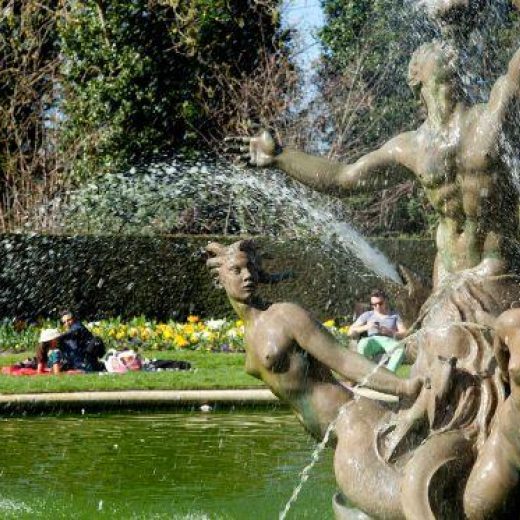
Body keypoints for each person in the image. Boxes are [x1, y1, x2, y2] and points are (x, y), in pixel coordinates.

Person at [231, 37, 520, 290]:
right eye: (434, 48)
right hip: (446, 272)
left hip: (495, 268)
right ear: (415, 74)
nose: (447, 46)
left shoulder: (490, 118)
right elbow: (343, 179)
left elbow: (514, 76)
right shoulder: (408, 146)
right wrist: (280, 157)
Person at [206, 239, 422, 441]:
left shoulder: (284, 315)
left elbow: (342, 359)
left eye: (251, 268)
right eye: (237, 270)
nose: (247, 276)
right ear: (219, 280)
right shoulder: (250, 331)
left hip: (350, 421)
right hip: (332, 433)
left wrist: (402, 386)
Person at [348, 289, 407, 372]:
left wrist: (390, 332)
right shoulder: (368, 315)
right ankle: (361, 374)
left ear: (386, 301)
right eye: (374, 305)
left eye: (380, 303)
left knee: (400, 349)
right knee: (363, 343)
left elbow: (404, 333)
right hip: (372, 340)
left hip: (388, 341)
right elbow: (350, 332)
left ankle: (388, 375)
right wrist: (367, 327)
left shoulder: (394, 315)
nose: (377, 307)